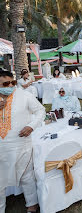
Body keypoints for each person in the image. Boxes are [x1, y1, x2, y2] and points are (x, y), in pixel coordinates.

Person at [0, 70, 45, 213]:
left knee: (26, 175)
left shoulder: (24, 95)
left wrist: (31, 126)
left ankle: (32, 204)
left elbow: (40, 111)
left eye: (12, 82)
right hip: (1, 146)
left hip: (21, 143)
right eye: (6, 84)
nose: (11, 86)